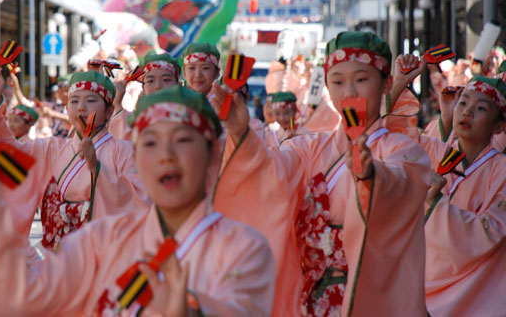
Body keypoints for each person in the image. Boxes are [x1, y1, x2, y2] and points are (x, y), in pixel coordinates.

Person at [0, 85, 275, 316]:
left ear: (212, 152)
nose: (166, 157)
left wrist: (190, 311)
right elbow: (29, 294)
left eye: (183, 140)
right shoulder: (103, 240)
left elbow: (241, 307)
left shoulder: (244, 248)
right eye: (150, 144)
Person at [211, 31, 431, 317]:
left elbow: (402, 185)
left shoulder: (400, 148)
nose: (349, 92)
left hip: (368, 292)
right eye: (338, 82)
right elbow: (269, 175)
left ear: (387, 83)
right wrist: (240, 132)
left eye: (361, 80)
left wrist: (371, 176)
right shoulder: (309, 147)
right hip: (307, 293)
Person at [0, 66, 148, 249]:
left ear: (109, 111)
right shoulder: (52, 149)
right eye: (74, 101)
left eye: (91, 100)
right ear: (66, 108)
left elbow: (139, 202)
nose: (81, 107)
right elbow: (6, 154)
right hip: (60, 255)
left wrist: (96, 168)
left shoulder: (124, 151)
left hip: (102, 249)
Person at [393, 55, 506, 316]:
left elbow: (489, 232)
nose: (467, 111)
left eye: (481, 108)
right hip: (423, 278)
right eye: (463, 102)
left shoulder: (500, 171)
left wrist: (436, 204)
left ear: (499, 125)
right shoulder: (438, 152)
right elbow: (390, 139)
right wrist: (400, 83)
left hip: (474, 292)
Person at [110, 52, 181, 141]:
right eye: (151, 81)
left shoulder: (190, 117)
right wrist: (117, 102)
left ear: (178, 85)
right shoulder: (137, 121)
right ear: (143, 87)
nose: (157, 86)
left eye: (166, 80)